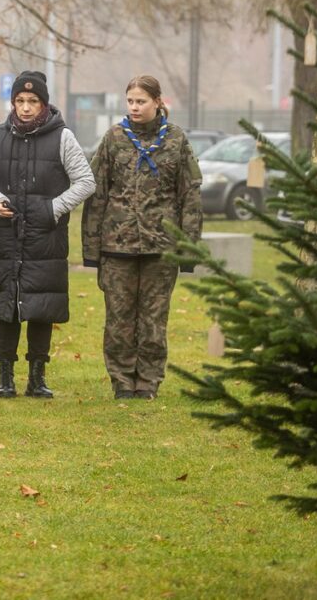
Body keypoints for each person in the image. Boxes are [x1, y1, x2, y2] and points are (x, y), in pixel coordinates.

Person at [0, 70, 94, 399]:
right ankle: (5, 375)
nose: (26, 107)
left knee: (42, 305)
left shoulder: (63, 137)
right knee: (6, 305)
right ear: (13, 102)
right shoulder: (0, 136)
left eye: (33, 101)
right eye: (20, 101)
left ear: (44, 103)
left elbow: (85, 181)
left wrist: (54, 208)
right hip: (7, 236)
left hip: (46, 237)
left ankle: (37, 375)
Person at [81, 75, 202, 400]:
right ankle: (122, 381)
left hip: (161, 248)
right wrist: (92, 251)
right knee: (118, 321)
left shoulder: (176, 140)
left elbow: (189, 197)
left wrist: (188, 250)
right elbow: (97, 195)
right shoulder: (114, 139)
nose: (134, 107)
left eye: (141, 101)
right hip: (116, 247)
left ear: (157, 102)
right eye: (130, 101)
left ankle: (148, 381)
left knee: (153, 321)